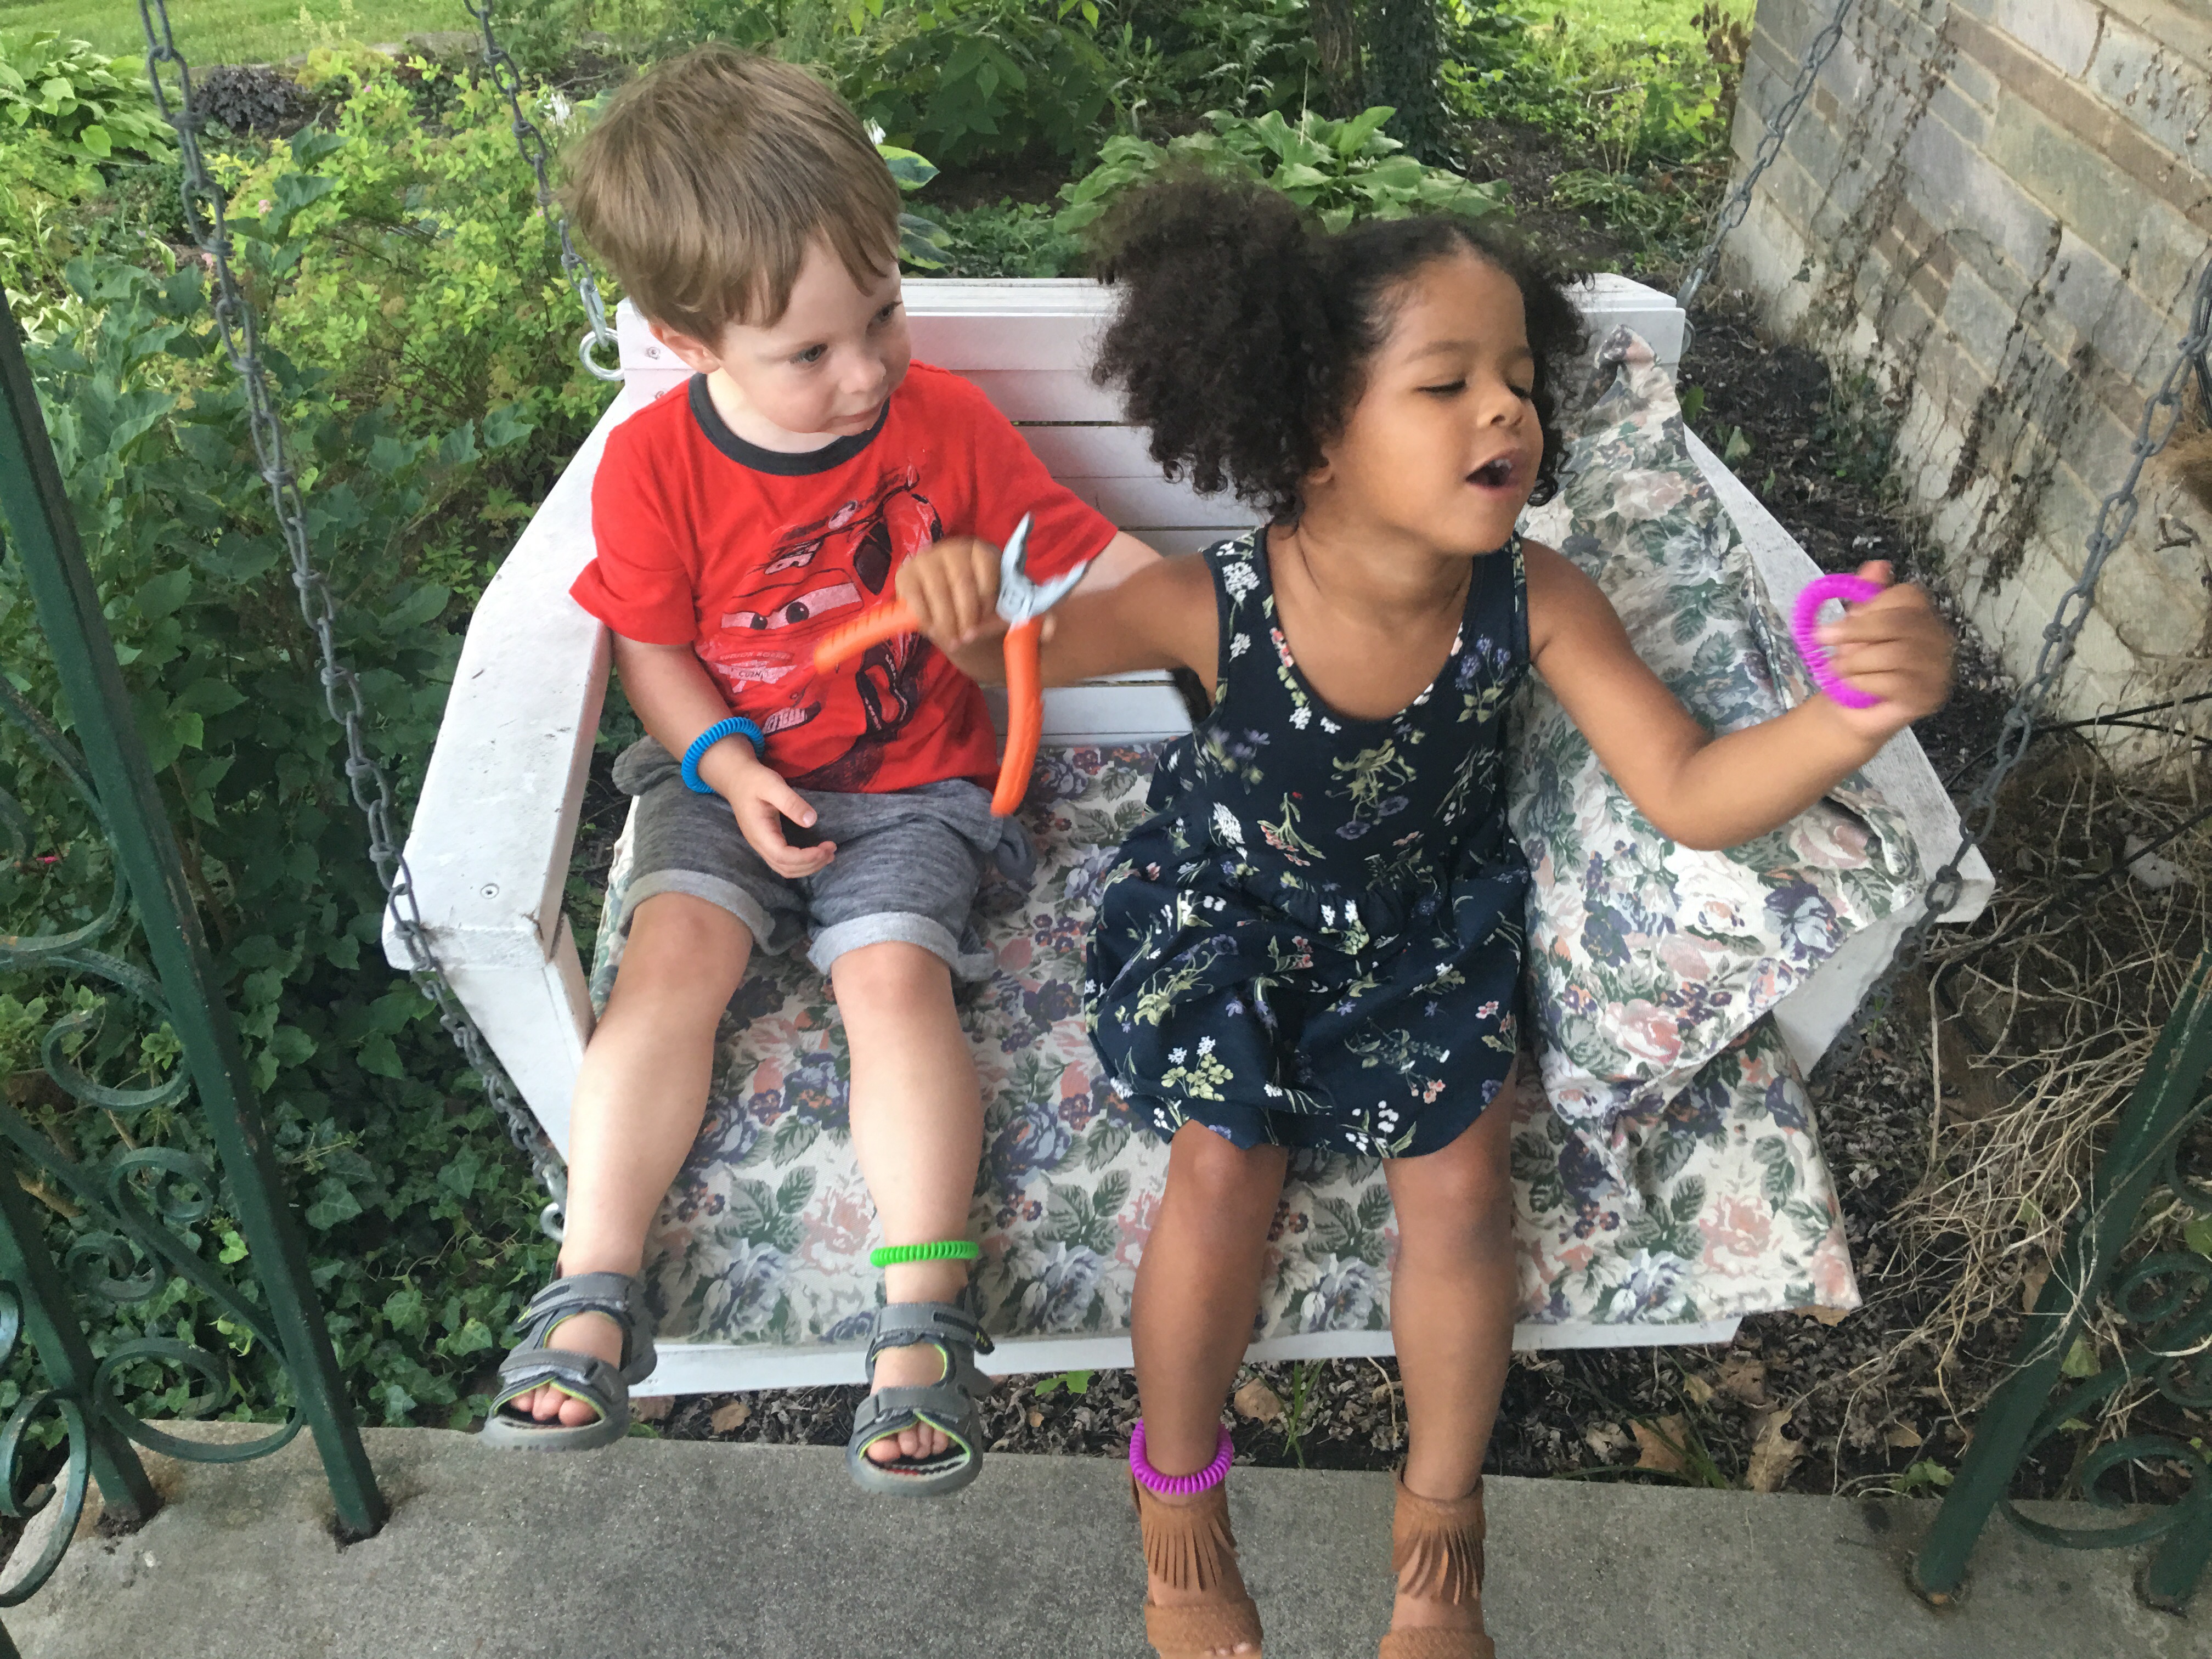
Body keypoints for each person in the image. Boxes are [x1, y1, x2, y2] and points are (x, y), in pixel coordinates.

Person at [894, 179, 1955, 1655]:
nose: (1505, 410)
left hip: (1419, 930)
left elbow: (1693, 792)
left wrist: (1854, 716)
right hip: (1235, 918)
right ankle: (1178, 1504)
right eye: (1446, 383)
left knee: (1461, 1191)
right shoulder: (1216, 601)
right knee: (1223, 1166)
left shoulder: (1537, 599)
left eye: (1518, 378)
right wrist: (963, 612)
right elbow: (1016, 655)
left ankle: (1442, 1534)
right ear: (1314, 430)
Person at [481, 46, 1153, 1493]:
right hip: (725, 781)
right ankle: (592, 1289)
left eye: (885, 315)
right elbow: (655, 652)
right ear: (687, 340)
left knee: (893, 983)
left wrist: (1237, 617)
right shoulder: (655, 467)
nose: (866, 372)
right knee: (670, 970)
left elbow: (1096, 561)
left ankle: (921, 1320)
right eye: (809, 354)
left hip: (915, 784)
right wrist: (725, 765)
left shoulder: (946, 429)